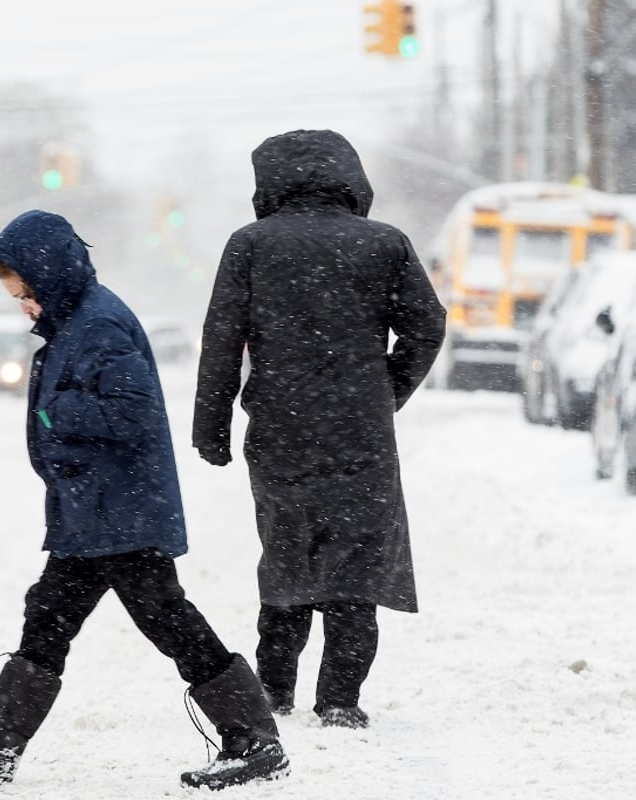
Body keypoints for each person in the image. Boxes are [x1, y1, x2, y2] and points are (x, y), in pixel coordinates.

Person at [0, 210, 290, 790]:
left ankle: (253, 739)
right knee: (49, 614)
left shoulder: (98, 327)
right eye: (16, 295)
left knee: (165, 617)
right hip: (95, 511)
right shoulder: (77, 322)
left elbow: (134, 413)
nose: (24, 304)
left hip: (120, 510)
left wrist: (54, 412)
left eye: (25, 291)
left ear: (50, 276)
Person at [192, 130, 447, 729]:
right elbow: (427, 326)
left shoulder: (250, 246)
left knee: (287, 555)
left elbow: (221, 341)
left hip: (281, 431)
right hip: (361, 432)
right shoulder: (385, 245)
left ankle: (275, 688)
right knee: (357, 563)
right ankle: (340, 698)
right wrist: (387, 389)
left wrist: (213, 425)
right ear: (350, 178)